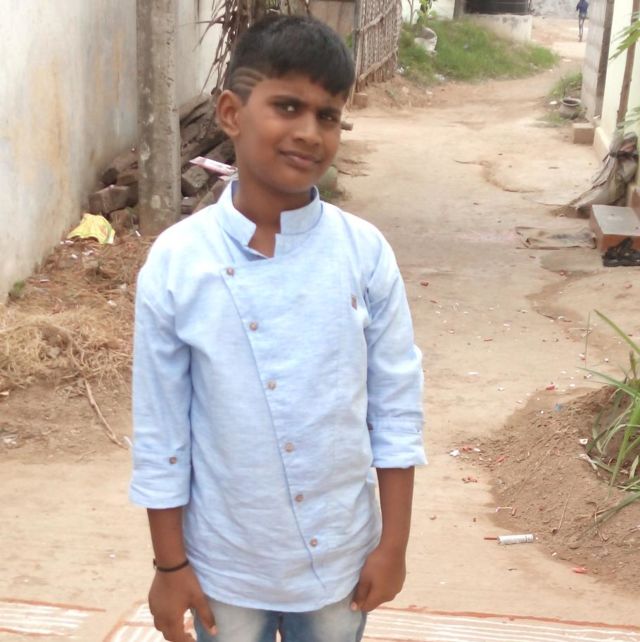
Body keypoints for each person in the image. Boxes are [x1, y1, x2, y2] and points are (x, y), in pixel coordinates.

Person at [130, 14, 426, 642]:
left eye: (328, 115)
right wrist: (170, 565)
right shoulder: (180, 261)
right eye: (287, 106)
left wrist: (393, 546)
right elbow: (162, 429)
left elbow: (396, 410)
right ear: (231, 113)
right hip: (224, 565)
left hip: (341, 561)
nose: (309, 133)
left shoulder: (363, 253)